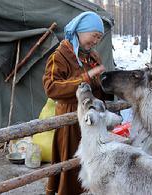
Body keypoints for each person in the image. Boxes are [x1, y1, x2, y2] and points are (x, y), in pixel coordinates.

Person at [43, 11, 113, 195]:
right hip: (71, 118)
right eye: (94, 35)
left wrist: (105, 83)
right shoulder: (60, 55)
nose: (96, 40)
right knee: (72, 163)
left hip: (92, 119)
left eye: (99, 37)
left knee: (92, 163)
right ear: (81, 31)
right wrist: (85, 77)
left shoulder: (92, 56)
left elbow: (96, 84)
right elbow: (51, 87)